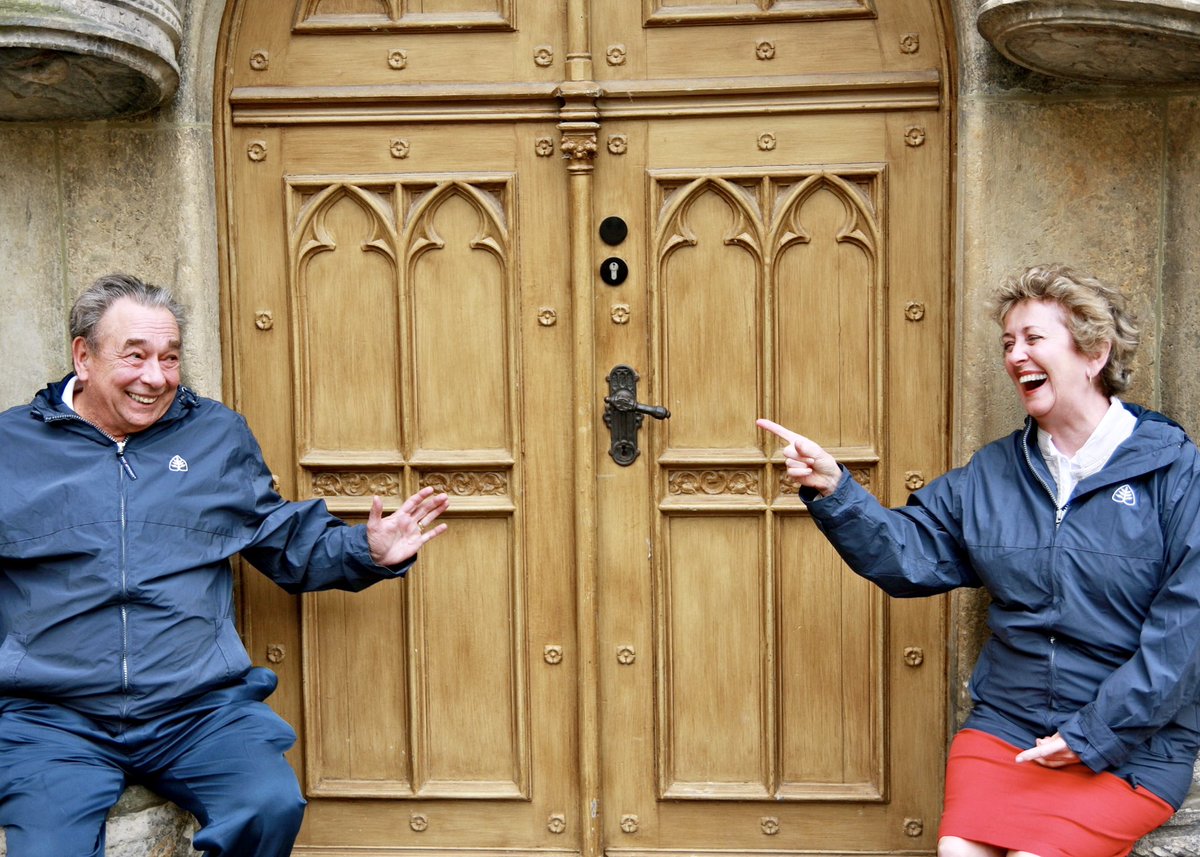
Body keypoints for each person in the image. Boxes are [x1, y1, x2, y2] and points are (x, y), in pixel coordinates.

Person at [0, 273, 449, 857]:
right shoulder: (12, 447)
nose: (155, 377)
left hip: (193, 708)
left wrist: (367, 550)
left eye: (169, 357)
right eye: (134, 357)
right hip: (52, 717)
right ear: (83, 357)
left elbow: (276, 536)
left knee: (268, 805)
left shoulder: (214, 435)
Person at [758, 264, 1200, 857]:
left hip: (1134, 743)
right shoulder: (993, 472)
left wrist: (1093, 734)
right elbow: (910, 555)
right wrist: (837, 491)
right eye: (1008, 343)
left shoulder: (1175, 472)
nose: (1016, 355)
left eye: (1034, 339)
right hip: (1009, 727)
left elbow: (1184, 640)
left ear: (1094, 352)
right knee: (959, 852)